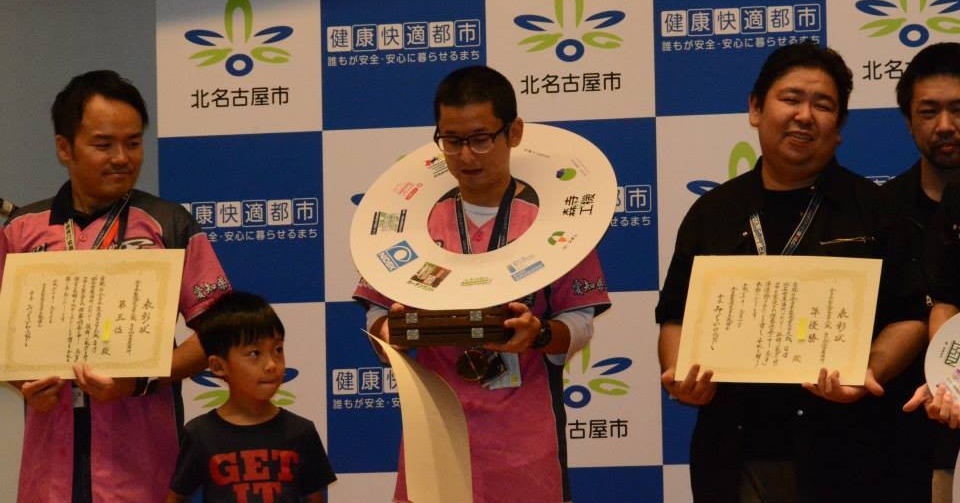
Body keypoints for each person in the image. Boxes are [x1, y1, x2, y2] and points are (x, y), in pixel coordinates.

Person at [655, 42, 926, 503]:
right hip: (732, 448)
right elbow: (676, 316)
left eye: (823, 105)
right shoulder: (713, 212)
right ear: (755, 109)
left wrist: (868, 370)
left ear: (839, 127)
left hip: (849, 451)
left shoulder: (876, 211)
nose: (804, 115)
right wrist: (683, 374)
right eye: (791, 99)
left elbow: (911, 317)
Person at [353, 65, 611, 503]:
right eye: (451, 141)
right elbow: (377, 312)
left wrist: (539, 334)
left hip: (524, 438)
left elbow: (580, 322)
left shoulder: (556, 225)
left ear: (514, 132)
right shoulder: (412, 227)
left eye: (480, 139)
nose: (466, 156)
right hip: (433, 432)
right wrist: (387, 332)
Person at [0, 70, 232, 503]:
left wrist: (140, 381)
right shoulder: (21, 230)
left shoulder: (168, 223)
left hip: (145, 465)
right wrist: (22, 384)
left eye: (133, 143)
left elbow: (221, 332)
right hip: (49, 469)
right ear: (64, 148)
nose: (123, 158)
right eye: (104, 144)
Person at [166, 291, 336, 503]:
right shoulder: (199, 434)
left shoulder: (302, 432)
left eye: (278, 349)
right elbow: (176, 497)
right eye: (255, 353)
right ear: (218, 366)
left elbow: (315, 498)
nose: (272, 364)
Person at [896, 42, 960, 503]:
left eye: (959, 109)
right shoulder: (878, 212)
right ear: (908, 120)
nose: (946, 125)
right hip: (896, 447)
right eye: (929, 111)